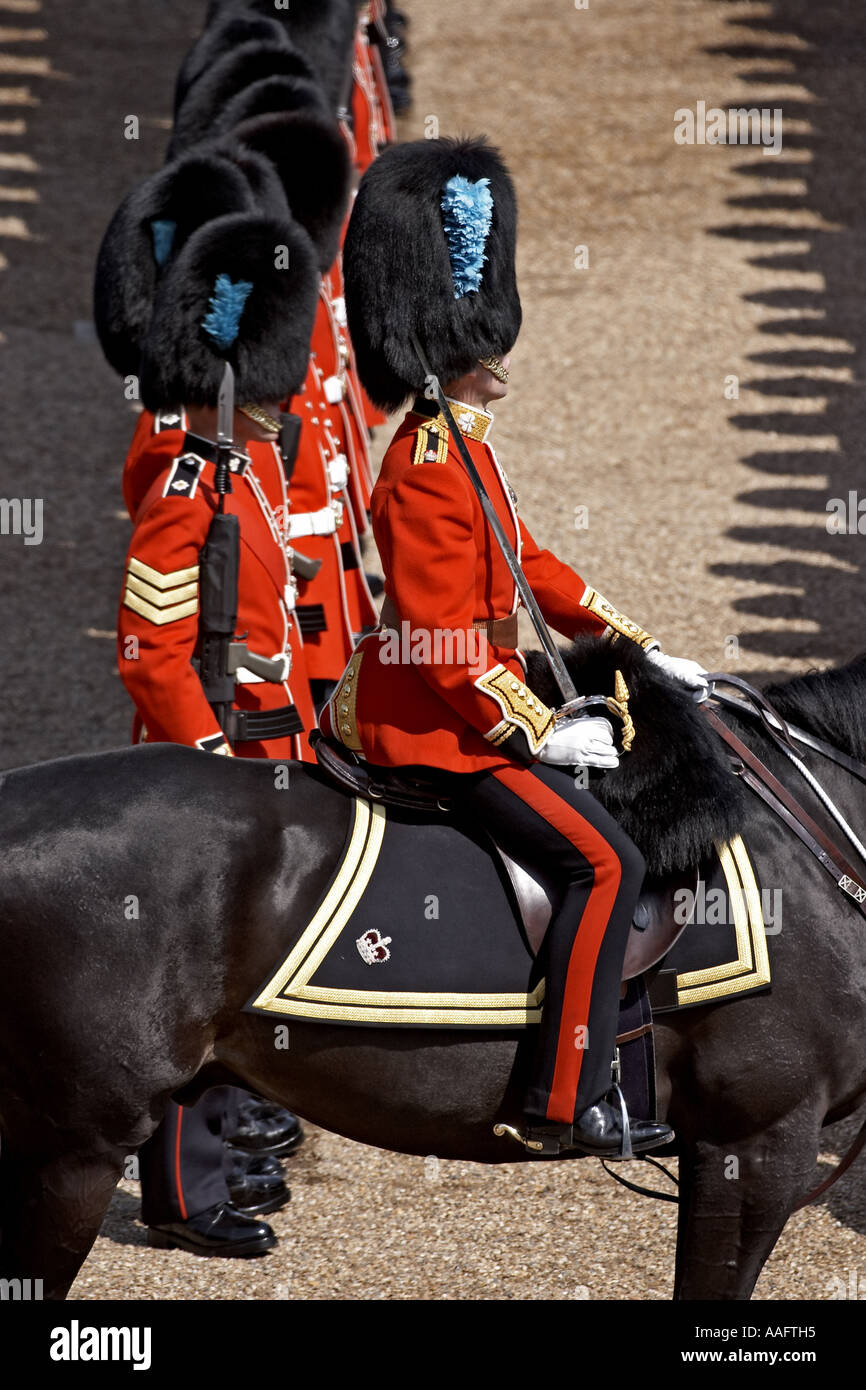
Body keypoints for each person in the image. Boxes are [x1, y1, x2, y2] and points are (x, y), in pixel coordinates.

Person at [325, 136, 708, 1156]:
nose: (505, 359)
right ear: (452, 344)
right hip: (432, 728)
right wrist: (538, 727)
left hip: (463, 698)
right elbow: (441, 642)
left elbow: (523, 559)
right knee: (602, 861)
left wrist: (634, 645)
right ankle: (558, 1096)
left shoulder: (460, 449)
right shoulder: (421, 464)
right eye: (488, 340)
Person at [116, 205, 320, 1250]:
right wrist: (205, 768)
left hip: (268, 741)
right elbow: (149, 652)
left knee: (253, 962)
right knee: (192, 971)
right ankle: (185, 1193)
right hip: (212, 759)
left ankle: (234, 1134)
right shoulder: (189, 484)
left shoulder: (253, 466)